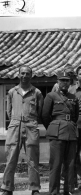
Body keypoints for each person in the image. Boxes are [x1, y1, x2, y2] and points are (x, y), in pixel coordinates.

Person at [1, 66, 43, 195]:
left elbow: (39, 111)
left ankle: (34, 188)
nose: (24, 76)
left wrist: (30, 121)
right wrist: (16, 121)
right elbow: (8, 111)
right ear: (18, 75)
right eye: (22, 73)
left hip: (31, 126)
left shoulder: (37, 92)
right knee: (11, 158)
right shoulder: (12, 92)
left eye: (27, 73)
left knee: (33, 159)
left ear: (31, 75)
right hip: (15, 126)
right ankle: (7, 188)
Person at [42, 71, 79, 195]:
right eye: (62, 80)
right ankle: (54, 191)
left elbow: (75, 116)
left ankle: (68, 190)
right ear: (57, 82)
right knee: (56, 164)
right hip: (56, 133)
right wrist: (53, 127)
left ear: (70, 82)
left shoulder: (74, 97)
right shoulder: (51, 96)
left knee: (70, 163)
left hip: (71, 133)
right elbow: (45, 115)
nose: (64, 82)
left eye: (67, 80)